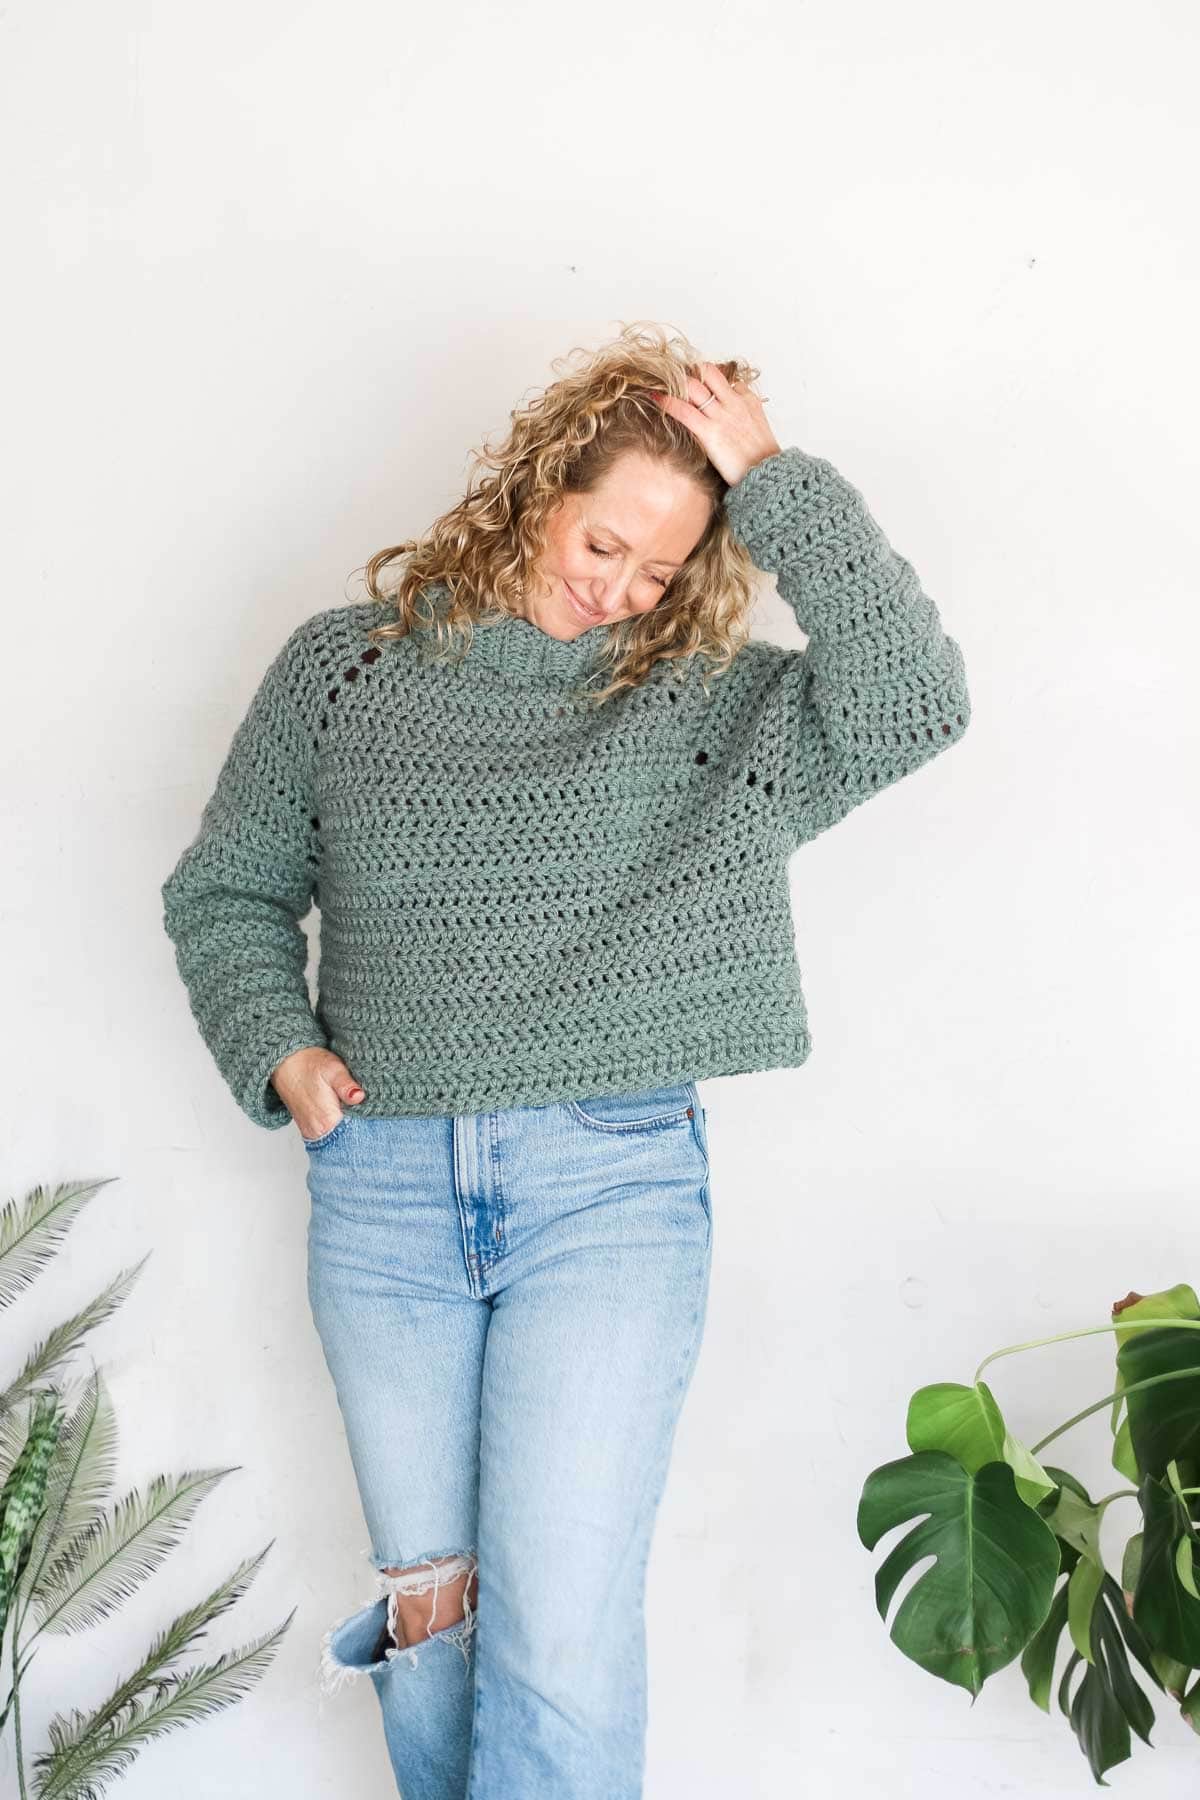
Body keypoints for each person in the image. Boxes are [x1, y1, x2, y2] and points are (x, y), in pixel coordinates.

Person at [159, 320, 971, 1798]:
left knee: (565, 1640)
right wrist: (281, 1050)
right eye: (603, 542)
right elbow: (225, 887)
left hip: (609, 1188)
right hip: (387, 1189)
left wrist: (775, 482)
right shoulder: (346, 674)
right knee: (435, 1620)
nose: (619, 590)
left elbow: (915, 699)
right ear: (537, 491)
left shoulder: (704, 711)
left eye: (662, 570)